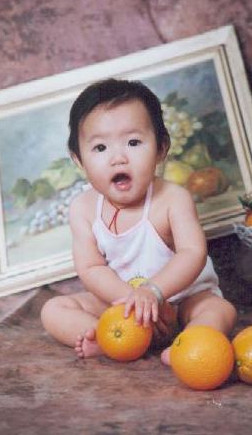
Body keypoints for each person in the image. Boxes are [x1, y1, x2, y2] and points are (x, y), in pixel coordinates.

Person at [41, 78, 237, 365]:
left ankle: (188, 346)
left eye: (133, 142)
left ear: (161, 148)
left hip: (181, 299)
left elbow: (192, 253)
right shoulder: (83, 209)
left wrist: (153, 292)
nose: (118, 158)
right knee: (54, 309)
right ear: (79, 161)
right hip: (123, 303)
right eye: (100, 148)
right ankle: (108, 339)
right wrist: (131, 300)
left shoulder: (173, 199)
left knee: (219, 309)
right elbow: (91, 267)